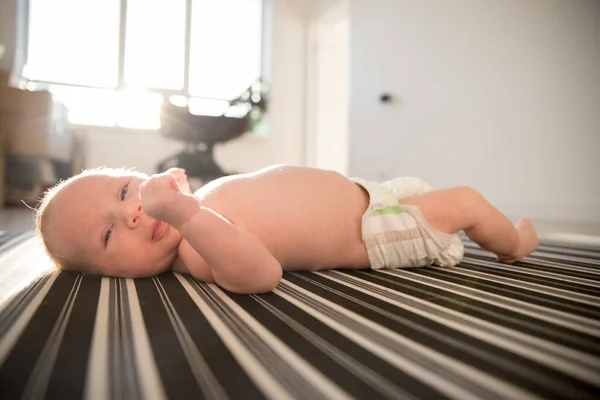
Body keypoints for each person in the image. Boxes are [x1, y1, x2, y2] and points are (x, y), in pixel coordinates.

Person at [35, 165, 539, 294]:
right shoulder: (196, 250)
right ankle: (514, 245)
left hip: (370, 194)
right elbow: (261, 273)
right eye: (108, 236)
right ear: (111, 275)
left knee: (445, 196)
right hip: (376, 229)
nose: (131, 215)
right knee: (468, 202)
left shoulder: (194, 212)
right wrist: (189, 215)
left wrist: (187, 199)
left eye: (125, 192)